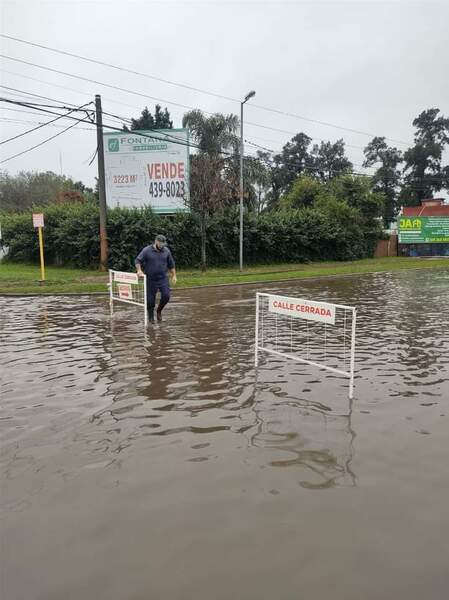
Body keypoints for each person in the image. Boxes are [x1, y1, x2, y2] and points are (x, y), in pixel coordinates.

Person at [135, 235, 177, 323]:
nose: (163, 245)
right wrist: (139, 270)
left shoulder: (166, 251)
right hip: (150, 279)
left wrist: (174, 275)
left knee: (166, 296)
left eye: (164, 244)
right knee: (150, 301)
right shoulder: (146, 250)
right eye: (161, 243)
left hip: (163, 279)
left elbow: (171, 264)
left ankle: (159, 311)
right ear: (156, 241)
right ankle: (151, 318)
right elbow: (138, 261)